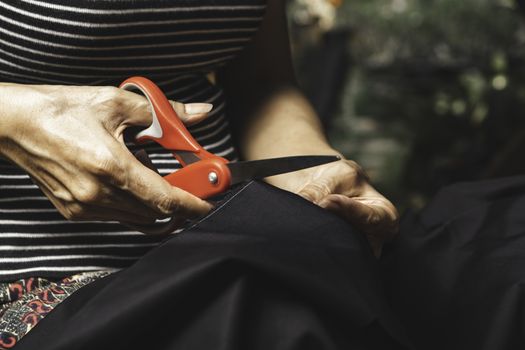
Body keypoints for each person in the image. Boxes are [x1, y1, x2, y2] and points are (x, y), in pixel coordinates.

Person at [0, 0, 398, 346]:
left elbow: (263, 85)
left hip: (220, 254)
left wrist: (315, 172)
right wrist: (16, 121)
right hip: (31, 282)